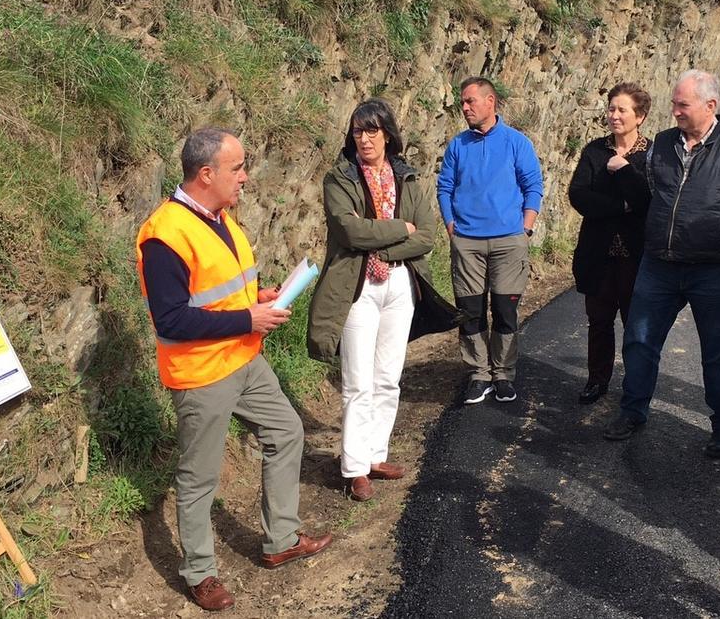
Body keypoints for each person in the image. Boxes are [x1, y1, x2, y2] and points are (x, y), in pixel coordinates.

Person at [136, 128, 332, 612]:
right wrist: (248, 317)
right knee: (199, 478)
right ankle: (200, 574)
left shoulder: (221, 216)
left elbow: (222, 287)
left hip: (244, 358)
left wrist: (258, 299)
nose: (246, 177)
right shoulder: (165, 235)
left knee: (287, 431)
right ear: (207, 174)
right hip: (203, 373)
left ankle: (280, 538)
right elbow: (172, 318)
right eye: (238, 167)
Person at [604, 69, 720, 459]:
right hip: (659, 264)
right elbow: (651, 190)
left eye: (683, 104)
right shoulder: (661, 143)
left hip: (716, 269)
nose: (674, 111)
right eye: (674, 103)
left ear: (710, 106)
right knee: (640, 342)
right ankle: (633, 411)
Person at [307, 99, 437, 502]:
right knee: (358, 382)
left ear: (388, 134)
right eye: (358, 131)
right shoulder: (339, 178)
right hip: (356, 289)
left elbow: (428, 235)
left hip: (399, 286)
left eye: (372, 131)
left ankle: (376, 455)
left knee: (387, 378)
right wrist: (399, 228)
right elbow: (350, 232)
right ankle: (354, 467)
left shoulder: (409, 177)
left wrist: (387, 250)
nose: (364, 139)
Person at [437, 76, 544, 405]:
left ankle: (503, 374)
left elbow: (533, 186)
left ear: (490, 102)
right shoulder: (457, 145)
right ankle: (478, 373)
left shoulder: (516, 142)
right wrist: (452, 228)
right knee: (470, 312)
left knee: (504, 310)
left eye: (470, 101)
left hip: (509, 243)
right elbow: (444, 188)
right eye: (462, 101)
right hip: (467, 242)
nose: (464, 107)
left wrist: (525, 228)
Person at [568, 82, 653, 405]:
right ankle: (597, 379)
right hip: (598, 254)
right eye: (611, 109)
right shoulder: (594, 150)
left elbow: (648, 198)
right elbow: (579, 195)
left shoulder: (652, 153)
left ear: (640, 116)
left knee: (636, 326)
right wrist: (620, 207)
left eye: (622, 110)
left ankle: (635, 386)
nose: (614, 115)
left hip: (637, 257)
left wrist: (624, 171)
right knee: (599, 322)